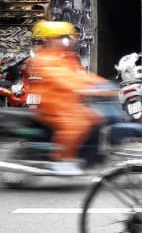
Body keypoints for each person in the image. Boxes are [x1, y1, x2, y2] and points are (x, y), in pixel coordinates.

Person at [29, 21, 114, 175]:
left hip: (68, 103)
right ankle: (62, 160)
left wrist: (105, 85)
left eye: (67, 37)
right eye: (61, 37)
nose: (66, 41)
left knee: (96, 118)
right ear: (50, 39)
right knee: (77, 125)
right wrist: (85, 89)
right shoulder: (45, 59)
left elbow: (81, 74)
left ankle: (87, 157)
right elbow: (64, 79)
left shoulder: (65, 57)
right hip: (52, 105)